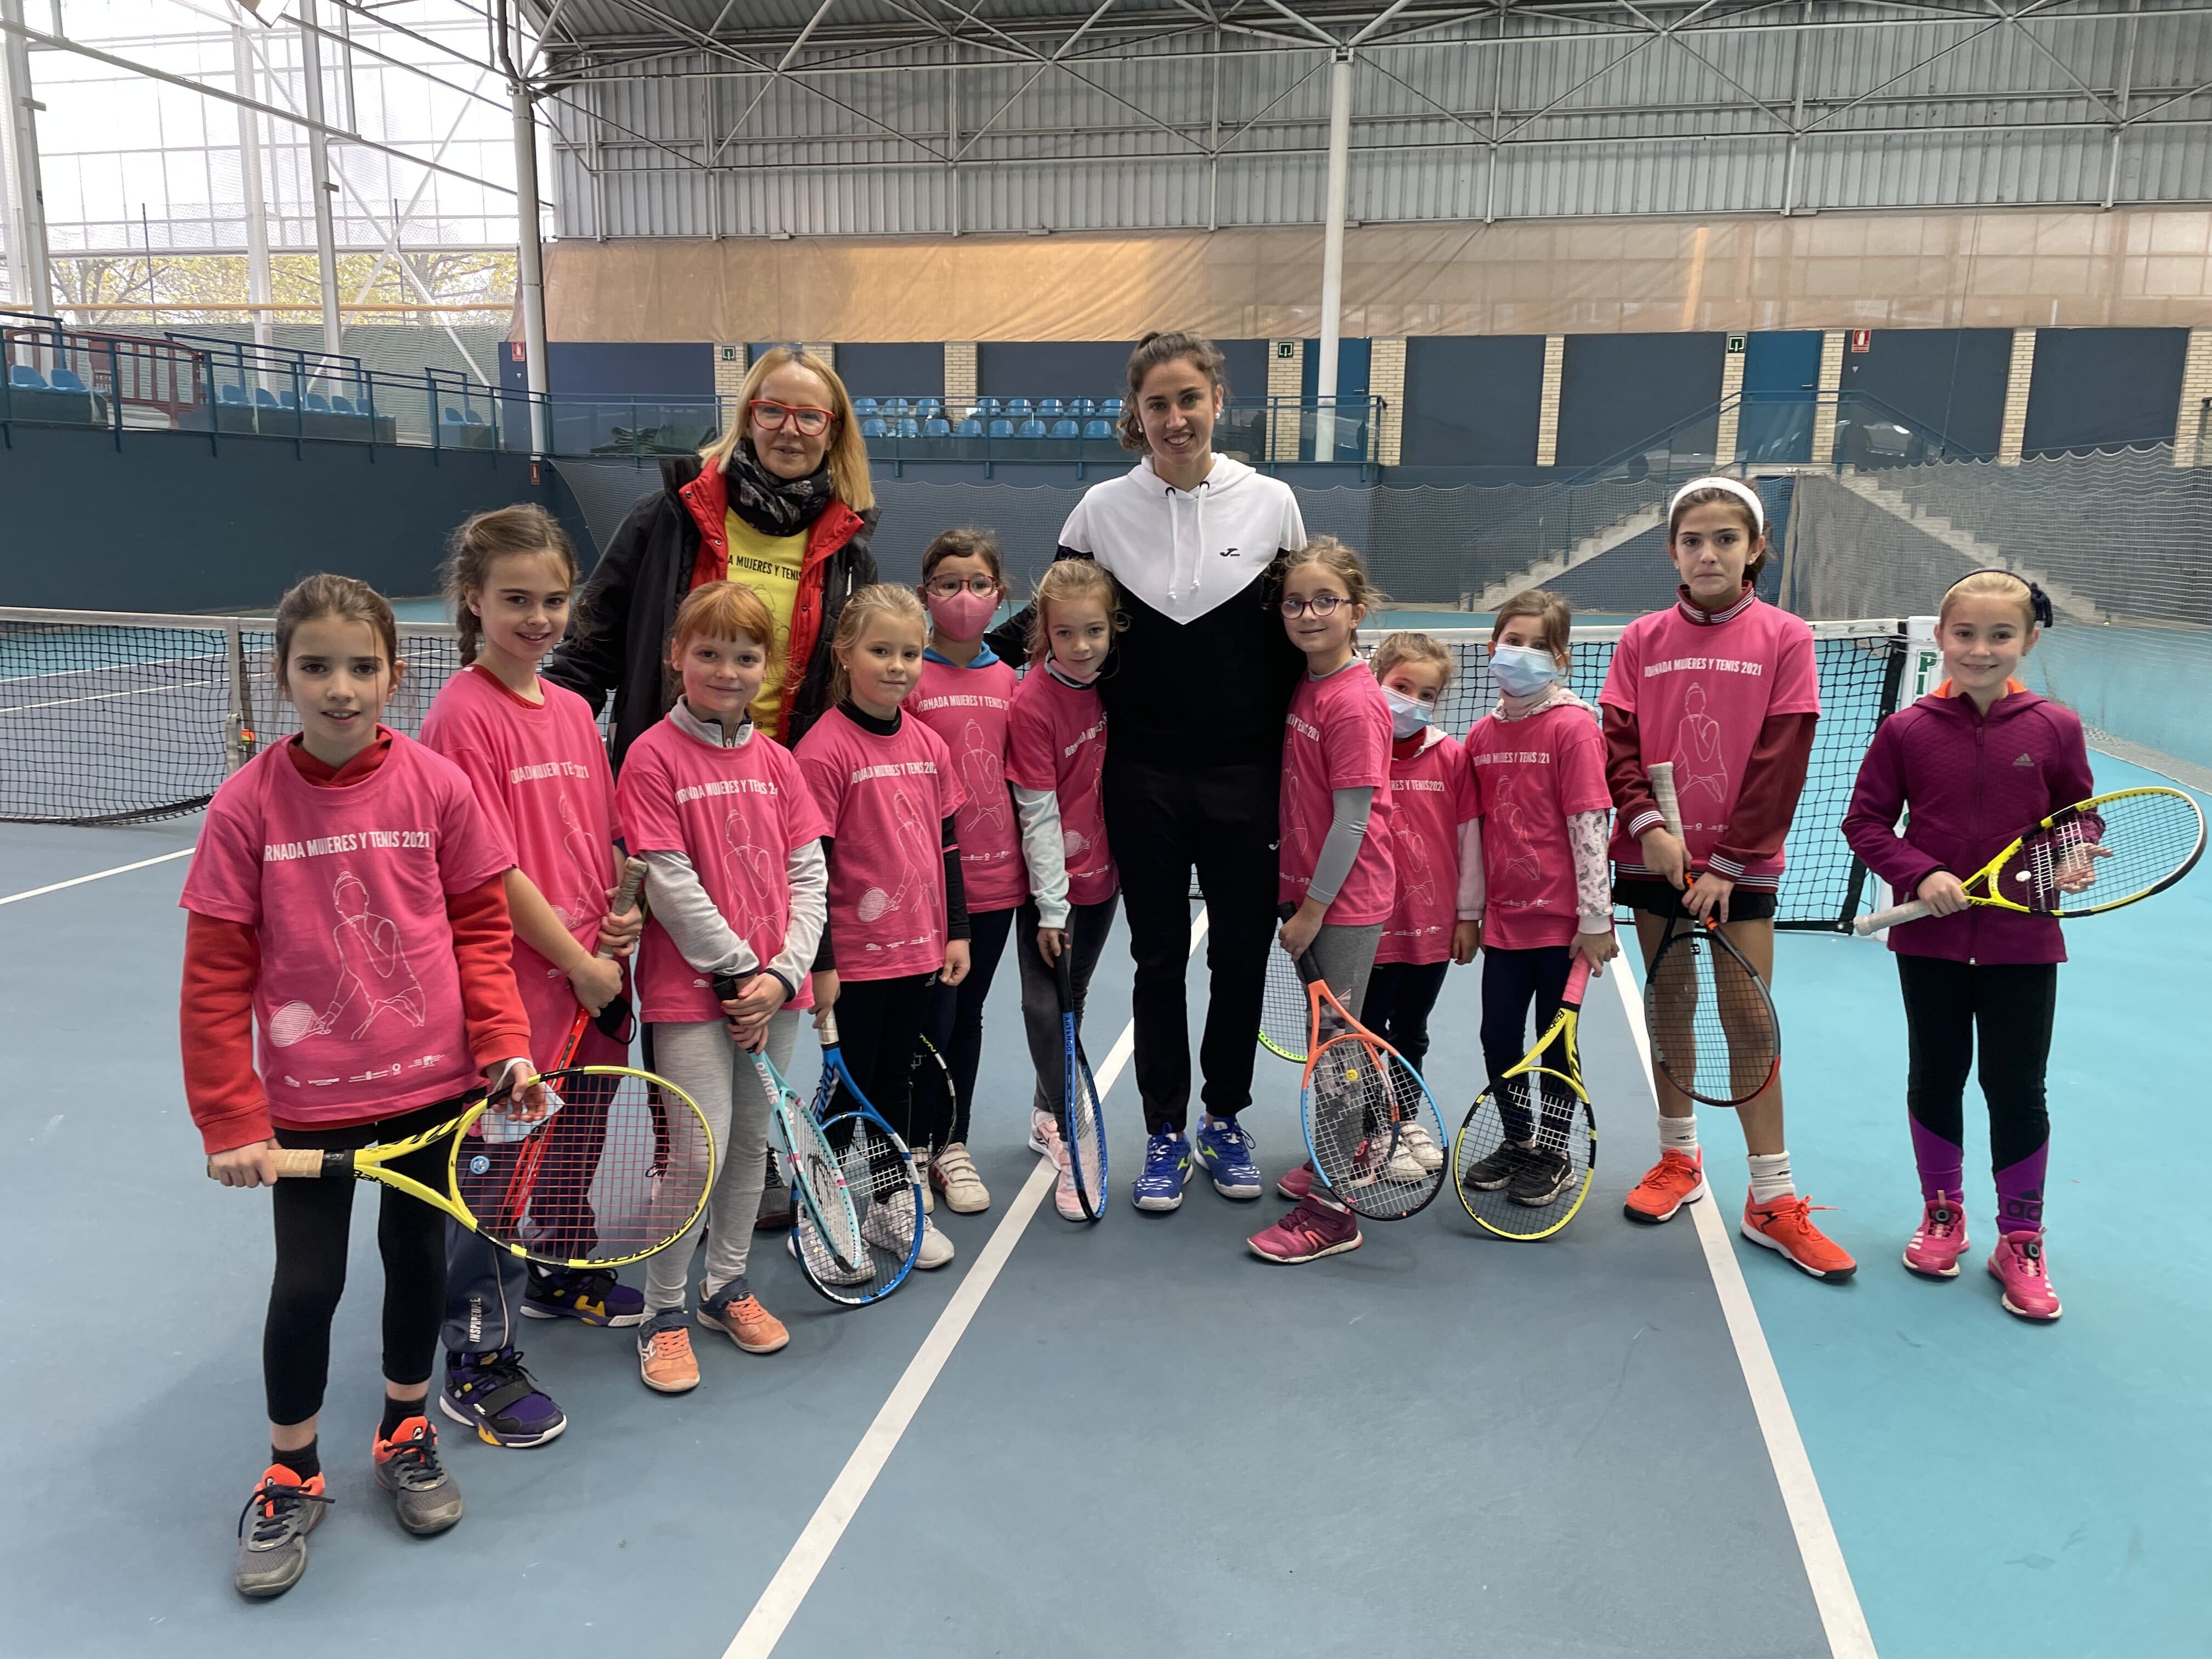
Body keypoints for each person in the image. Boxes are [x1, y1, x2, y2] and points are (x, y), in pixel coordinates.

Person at [183, 574, 544, 1600]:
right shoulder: (244, 805)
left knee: (415, 1260)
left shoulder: (437, 786)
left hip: (431, 1089)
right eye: (316, 666)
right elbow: (215, 975)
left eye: (361, 665)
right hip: (305, 1108)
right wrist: (230, 1116)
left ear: (395, 669)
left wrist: (504, 1046)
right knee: (307, 1284)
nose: (340, 688)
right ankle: (291, 1464)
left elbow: (481, 930)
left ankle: (405, 1426)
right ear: (285, 674)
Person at [545, 343, 876, 1228]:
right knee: (632, 997)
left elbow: (857, 677)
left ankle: (732, 1162)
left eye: (813, 416)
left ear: (834, 431)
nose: (792, 429)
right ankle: (592, 1191)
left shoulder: (847, 548)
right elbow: (589, 648)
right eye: (774, 409)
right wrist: (528, 734)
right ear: (748, 415)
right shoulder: (672, 516)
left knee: (754, 983)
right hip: (662, 791)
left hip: (771, 806)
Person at [987, 331, 1308, 1217]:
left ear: (1216, 401)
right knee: (1158, 960)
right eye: (1157, 403)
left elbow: (1303, 638)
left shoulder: (1273, 504)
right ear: (1137, 412)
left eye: (1189, 399)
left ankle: (1223, 1116)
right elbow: (1047, 634)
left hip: (1248, 778)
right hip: (1144, 779)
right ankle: (1164, 1129)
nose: (1174, 418)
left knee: (1240, 960)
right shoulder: (1097, 512)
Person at [421, 506, 646, 1451]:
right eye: (517, 599)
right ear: (472, 599)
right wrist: (580, 961)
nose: (540, 617)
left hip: (591, 972)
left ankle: (556, 1267)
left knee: (577, 1133)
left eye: (555, 599)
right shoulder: (460, 715)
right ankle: (477, 1355)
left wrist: (621, 909)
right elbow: (489, 870)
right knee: (494, 1171)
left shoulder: (567, 708)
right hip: (519, 988)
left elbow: (592, 830)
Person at [1601, 477, 1855, 1280]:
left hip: (1738, 868)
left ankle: (1772, 1198)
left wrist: (1727, 865)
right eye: (1691, 540)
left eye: (1724, 540)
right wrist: (1648, 828)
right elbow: (1619, 744)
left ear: (1755, 549)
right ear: (1673, 550)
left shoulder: (1785, 637)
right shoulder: (1641, 638)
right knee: (1668, 1006)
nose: (1707, 553)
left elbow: (1783, 760)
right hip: (1654, 860)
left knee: (1748, 1021)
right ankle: (1678, 1160)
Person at [1842, 569, 2082, 1321]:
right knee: (1936, 1076)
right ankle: (1943, 1213)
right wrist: (1924, 873)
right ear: (1941, 637)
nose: (1981, 650)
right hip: (1932, 944)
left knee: (2018, 1090)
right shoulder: (1907, 730)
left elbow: (2078, 813)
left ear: (2029, 641)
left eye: (2000, 635)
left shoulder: (2056, 727)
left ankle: (2021, 1239)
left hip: (2025, 941)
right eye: (1965, 634)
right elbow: (1867, 823)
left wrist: (2074, 850)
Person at [618, 580, 832, 1389]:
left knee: (749, 1144)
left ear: (767, 668)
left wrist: (782, 975)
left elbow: (809, 875)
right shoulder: (651, 757)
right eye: (708, 652)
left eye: (745, 656)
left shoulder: (778, 763)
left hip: (772, 994)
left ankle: (725, 1285)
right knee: (695, 1151)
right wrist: (741, 970)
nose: (727, 669)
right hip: (691, 998)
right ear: (678, 657)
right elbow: (667, 881)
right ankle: (662, 1310)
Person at [795, 584, 970, 1271]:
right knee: (852, 1084)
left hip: (920, 949)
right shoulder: (823, 752)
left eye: (909, 653)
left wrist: (955, 930)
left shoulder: (930, 745)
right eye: (880, 651)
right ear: (844, 653)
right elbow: (812, 869)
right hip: (855, 961)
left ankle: (891, 1202)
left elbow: (947, 844)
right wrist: (823, 961)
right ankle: (824, 1208)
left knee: (896, 1078)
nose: (897, 666)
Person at [1278, 628, 1480, 1204]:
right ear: (1376, 676)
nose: (1413, 702)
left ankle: (1397, 1124)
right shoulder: (1354, 745)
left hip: (1430, 932)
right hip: (1372, 930)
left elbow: (1468, 840)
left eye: (1428, 694)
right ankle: (1362, 1138)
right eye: (1401, 687)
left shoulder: (1452, 757)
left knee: (1409, 1033)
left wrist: (1468, 915)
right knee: (1364, 1036)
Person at [1246, 539, 1396, 1265]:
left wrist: (1310, 910)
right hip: (1310, 896)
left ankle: (1336, 1209)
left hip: (1342, 904)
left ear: (1356, 611)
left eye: (1325, 601)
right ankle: (1347, 1153)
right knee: (1331, 1046)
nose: (1309, 614)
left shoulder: (1355, 702)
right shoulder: (1310, 682)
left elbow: (1354, 820)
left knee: (1335, 1054)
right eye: (1297, 602)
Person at [1453, 592, 1618, 1207]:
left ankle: (1555, 1150)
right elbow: (1471, 834)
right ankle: (1519, 1140)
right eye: (1510, 640)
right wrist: (1468, 915)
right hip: (1504, 924)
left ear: (1563, 659)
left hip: (1565, 928)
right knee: (1499, 1035)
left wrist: (1596, 919)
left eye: (1535, 645)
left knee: (1557, 1046)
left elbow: (1589, 823)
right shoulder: (1480, 735)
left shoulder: (1573, 728)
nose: (1518, 654)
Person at [906, 529, 1022, 1215]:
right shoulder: (906, 677)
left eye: (978, 584)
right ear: (926, 596)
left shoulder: (1013, 683)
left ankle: (952, 1143)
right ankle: (912, 1146)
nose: (964, 597)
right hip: (924, 893)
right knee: (927, 1018)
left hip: (996, 887)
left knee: (968, 1016)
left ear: (1000, 595)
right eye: (948, 583)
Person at [1005, 557, 1123, 1222]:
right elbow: (1038, 810)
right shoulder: (1033, 703)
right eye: (1067, 633)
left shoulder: (1114, 685)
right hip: (1053, 889)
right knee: (1047, 1007)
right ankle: (1068, 1128)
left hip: (1107, 877)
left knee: (1071, 996)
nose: (1082, 647)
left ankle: (1044, 1110)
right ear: (1043, 633)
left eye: (1095, 632)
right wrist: (1053, 906)